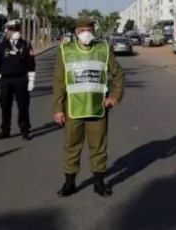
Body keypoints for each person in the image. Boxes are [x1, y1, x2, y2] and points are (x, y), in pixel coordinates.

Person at [52, 16, 126, 198]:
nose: (86, 33)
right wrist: (58, 109)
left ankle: (99, 183)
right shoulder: (65, 51)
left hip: (97, 108)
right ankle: (69, 183)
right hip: (73, 109)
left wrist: (115, 97)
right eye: (82, 30)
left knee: (98, 147)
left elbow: (118, 74)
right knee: (71, 147)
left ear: (94, 31)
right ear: (76, 32)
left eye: (89, 30)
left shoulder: (103, 49)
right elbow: (59, 81)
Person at [0, 22, 36, 140]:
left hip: (21, 79)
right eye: (13, 31)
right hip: (6, 79)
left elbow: (31, 63)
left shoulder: (25, 45)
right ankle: (5, 130)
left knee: (23, 106)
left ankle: (25, 130)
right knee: (5, 106)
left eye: (17, 30)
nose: (15, 33)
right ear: (9, 32)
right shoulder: (3, 45)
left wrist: (31, 80)